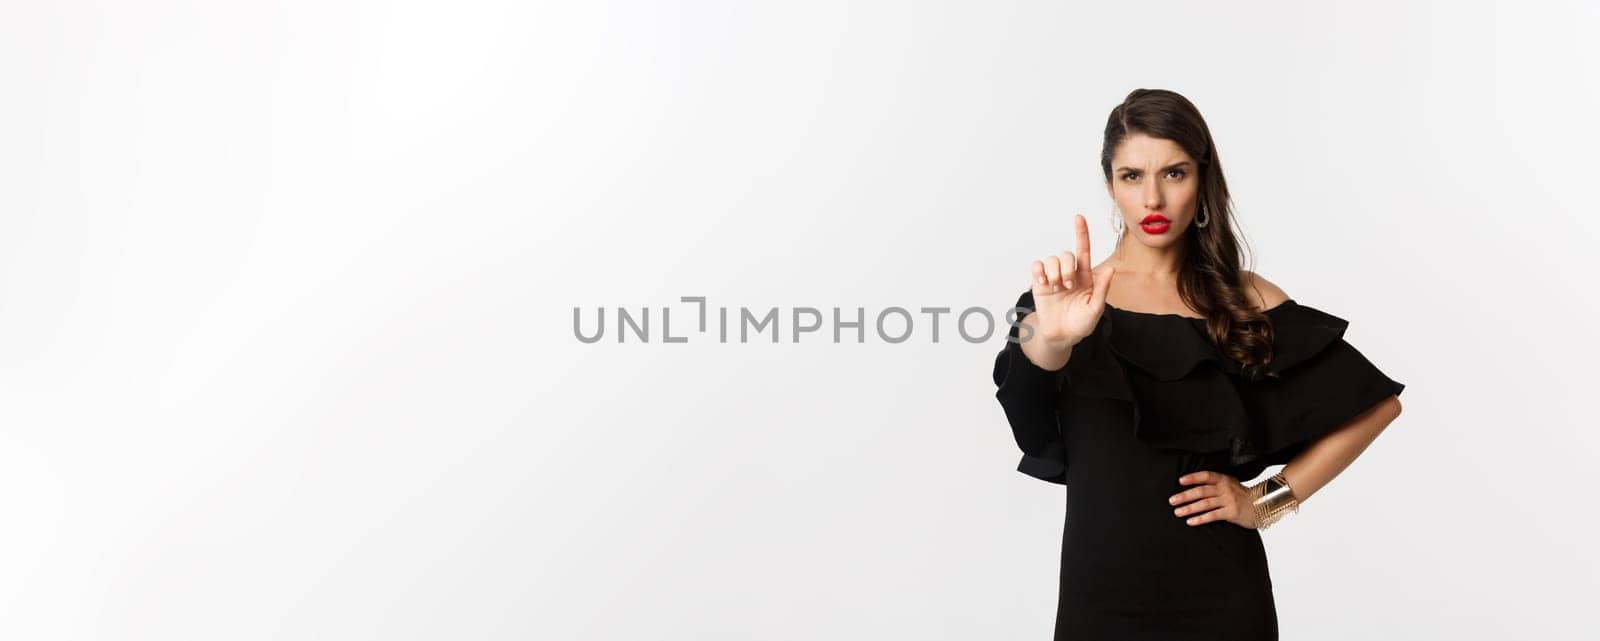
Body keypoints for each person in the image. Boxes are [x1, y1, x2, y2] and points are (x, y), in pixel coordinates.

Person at [991, 88, 1406, 640]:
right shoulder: (1063, 301)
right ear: (1111, 185)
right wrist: (1056, 339)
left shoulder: (1245, 300)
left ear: (1202, 179)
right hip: (1100, 599)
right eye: (1132, 176)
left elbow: (1376, 405)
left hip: (1222, 600)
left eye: (1175, 173)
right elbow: (1027, 418)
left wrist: (1266, 502)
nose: (1153, 199)